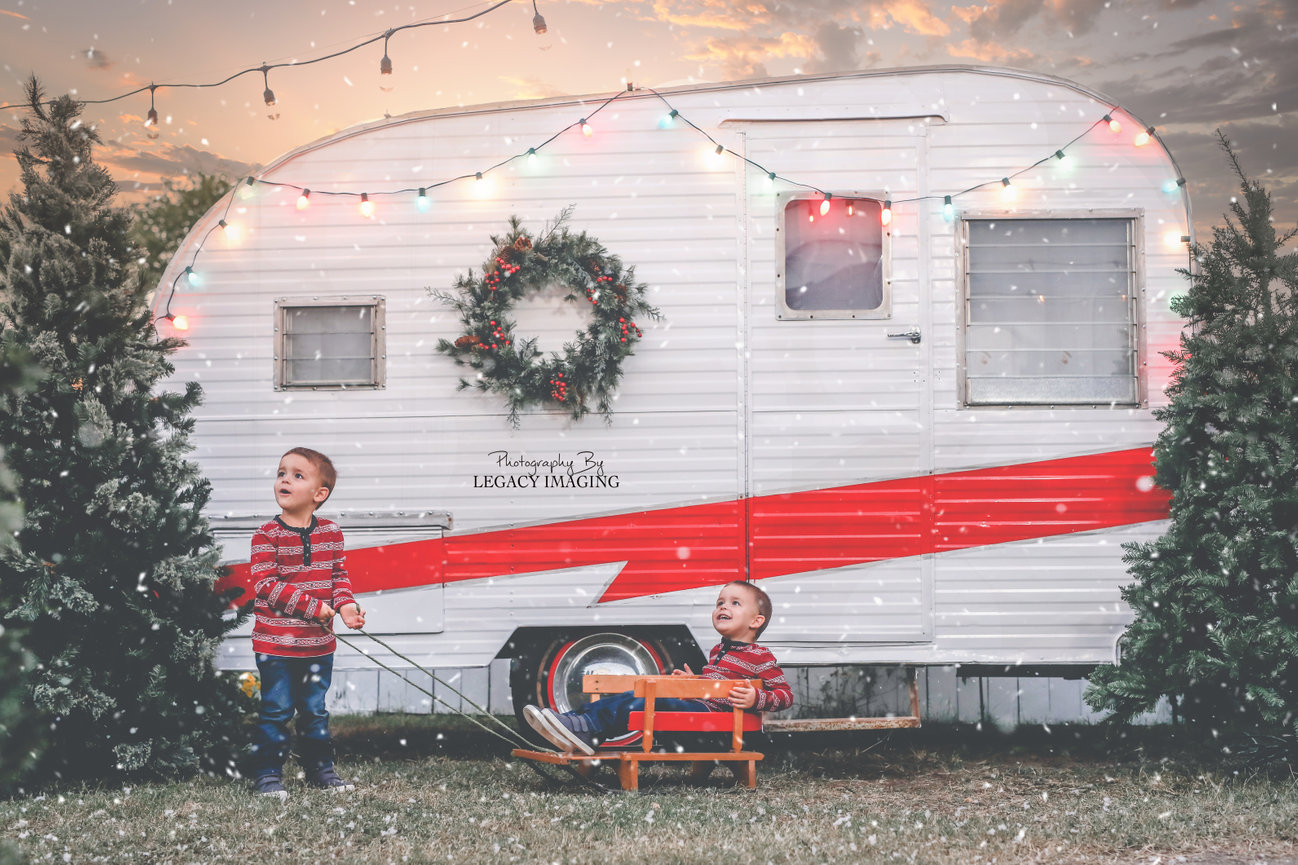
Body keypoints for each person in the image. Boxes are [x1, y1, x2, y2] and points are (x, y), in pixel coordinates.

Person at [523, 580, 793, 755]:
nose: (723, 607)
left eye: (735, 603)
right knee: (633, 696)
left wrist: (755, 698)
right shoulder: (718, 650)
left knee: (644, 700)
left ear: (756, 621)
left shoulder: (760, 656)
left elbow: (784, 695)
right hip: (702, 715)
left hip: (717, 728)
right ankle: (575, 723)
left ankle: (584, 728)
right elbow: (717, 687)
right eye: (720, 603)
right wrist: (695, 682)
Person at [247, 447, 366, 799]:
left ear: (319, 494)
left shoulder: (331, 533)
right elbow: (266, 585)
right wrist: (313, 608)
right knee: (276, 710)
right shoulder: (266, 534)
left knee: (314, 711)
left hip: (318, 646)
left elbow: (339, 576)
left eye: (297, 475)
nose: (285, 479)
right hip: (276, 646)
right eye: (281, 472)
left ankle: (321, 771)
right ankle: (268, 775)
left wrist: (346, 607)